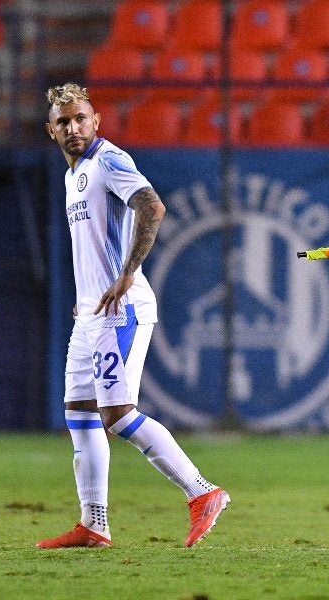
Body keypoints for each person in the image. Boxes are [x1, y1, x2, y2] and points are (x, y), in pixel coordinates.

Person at [38, 83, 229, 549]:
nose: (73, 127)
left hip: (119, 311)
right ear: (51, 130)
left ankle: (202, 492)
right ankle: (94, 523)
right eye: (63, 122)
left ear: (96, 120)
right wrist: (86, 297)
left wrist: (127, 273)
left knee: (119, 416)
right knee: (80, 416)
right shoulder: (73, 175)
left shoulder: (108, 159)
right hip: (91, 314)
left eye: (81, 118)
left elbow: (152, 205)